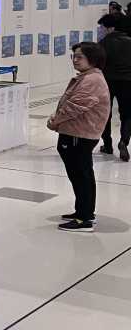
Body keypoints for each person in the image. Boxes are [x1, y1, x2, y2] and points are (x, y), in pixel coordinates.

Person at [48, 43, 110, 233]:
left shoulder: (92, 80)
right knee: (80, 174)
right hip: (76, 132)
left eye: (79, 57)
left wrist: (55, 121)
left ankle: (84, 219)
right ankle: (83, 211)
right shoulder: (88, 77)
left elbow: (75, 106)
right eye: (73, 56)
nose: (75, 60)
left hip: (79, 133)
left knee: (81, 175)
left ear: (93, 59)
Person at [99, 15, 131, 159]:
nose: (101, 30)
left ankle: (107, 145)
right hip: (128, 82)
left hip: (107, 82)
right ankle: (124, 141)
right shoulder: (130, 42)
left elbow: (98, 64)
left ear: (109, 28)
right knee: (127, 114)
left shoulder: (102, 43)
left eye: (102, 27)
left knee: (106, 113)